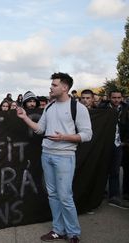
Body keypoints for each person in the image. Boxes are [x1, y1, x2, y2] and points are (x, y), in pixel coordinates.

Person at [16, 72, 92, 243]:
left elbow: (87, 135)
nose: (51, 88)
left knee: (65, 196)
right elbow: (40, 129)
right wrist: (24, 117)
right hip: (47, 154)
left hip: (65, 157)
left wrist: (64, 137)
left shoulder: (78, 108)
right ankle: (58, 230)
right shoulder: (49, 107)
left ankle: (73, 233)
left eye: (54, 85)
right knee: (52, 195)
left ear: (65, 88)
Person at [98, 90, 129, 209]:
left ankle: (114, 196)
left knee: (115, 171)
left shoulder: (126, 109)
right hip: (104, 144)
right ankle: (99, 193)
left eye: (118, 97)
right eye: (114, 97)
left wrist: (125, 141)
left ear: (122, 98)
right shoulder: (102, 108)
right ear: (109, 97)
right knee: (102, 169)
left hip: (118, 144)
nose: (116, 100)